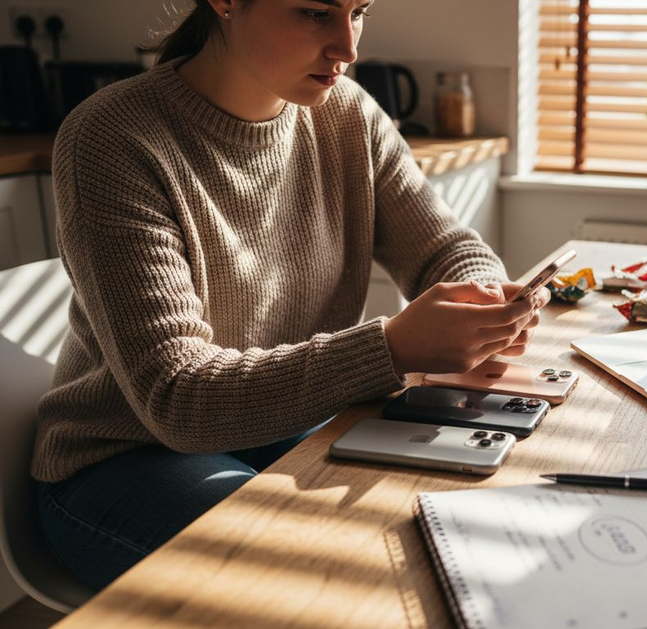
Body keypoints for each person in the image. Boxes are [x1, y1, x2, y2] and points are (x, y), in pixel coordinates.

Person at [32, 0, 547, 591]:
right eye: (314, 12)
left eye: (359, 11)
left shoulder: (347, 113)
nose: (348, 48)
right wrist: (392, 348)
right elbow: (177, 398)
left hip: (287, 425)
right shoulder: (111, 137)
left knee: (442, 523)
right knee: (324, 572)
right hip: (126, 459)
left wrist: (485, 299)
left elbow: (443, 249)